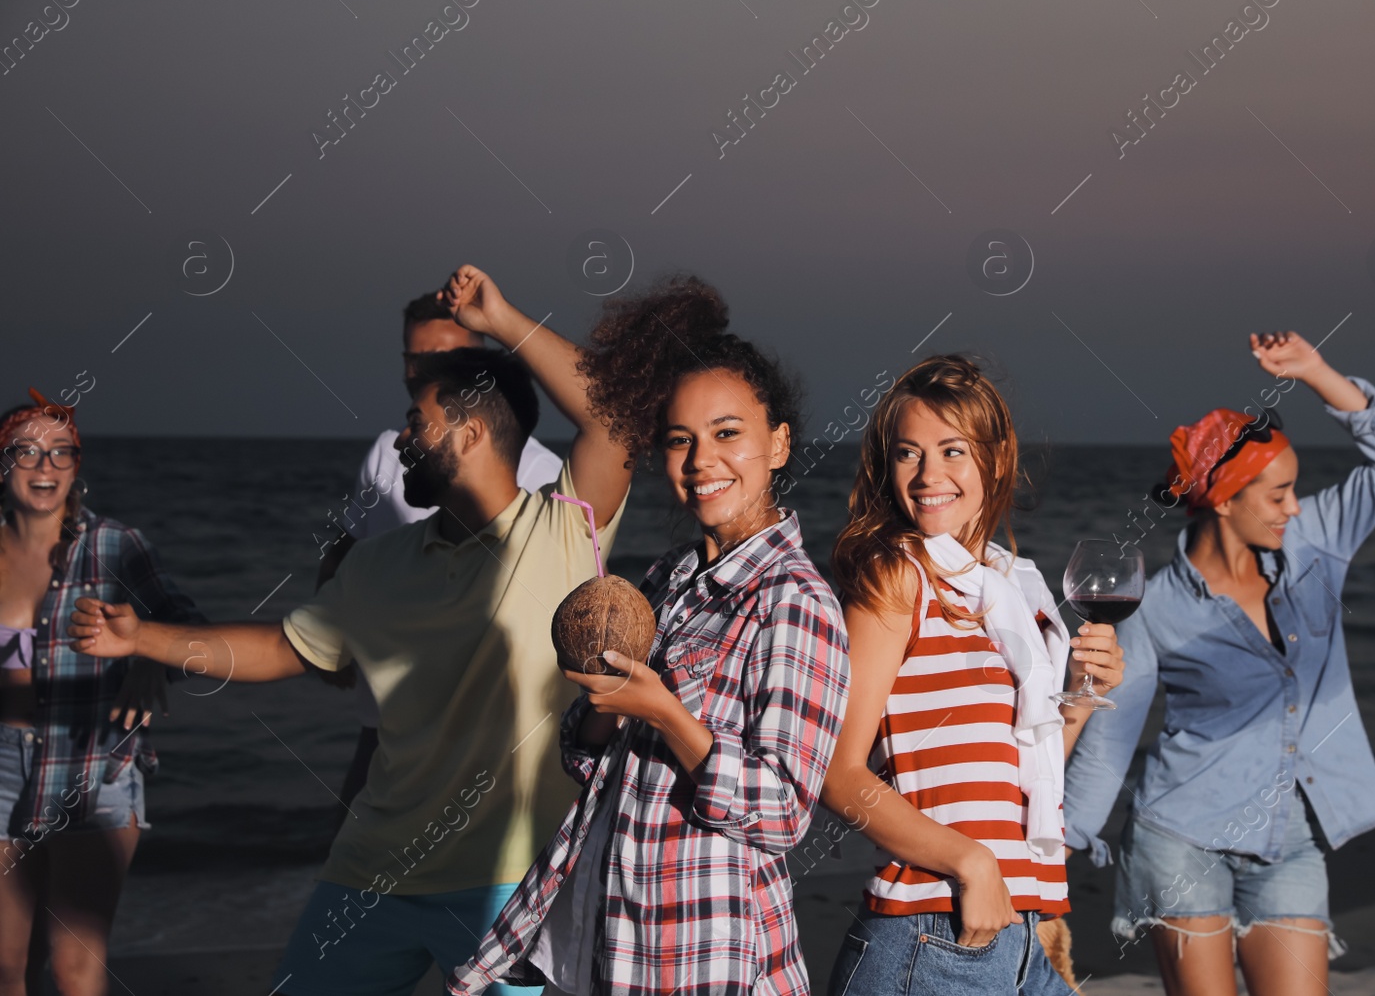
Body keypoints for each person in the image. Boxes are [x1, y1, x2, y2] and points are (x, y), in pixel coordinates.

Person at [69, 265, 633, 996]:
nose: (401, 438)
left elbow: (613, 416)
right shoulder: (378, 564)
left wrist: (501, 321)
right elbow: (281, 647)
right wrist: (141, 636)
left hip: (512, 882)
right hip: (374, 873)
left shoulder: (562, 528)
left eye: (417, 421)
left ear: (466, 435)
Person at [450, 277, 851, 996]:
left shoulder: (795, 599)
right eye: (679, 440)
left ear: (780, 442)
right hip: (609, 934)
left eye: (728, 433)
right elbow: (587, 756)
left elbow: (785, 808)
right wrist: (606, 704)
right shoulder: (665, 579)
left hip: (708, 954)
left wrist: (664, 708)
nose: (702, 461)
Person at [1060, 331, 1375, 996]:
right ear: (1224, 500)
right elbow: (1110, 745)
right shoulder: (1152, 606)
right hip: (1180, 839)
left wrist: (1317, 372)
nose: (1295, 506)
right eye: (1279, 493)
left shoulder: (1315, 542)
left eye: (1296, 490)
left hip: (1289, 837)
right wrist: (1048, 857)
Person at [820, 355, 1125, 996]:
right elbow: (838, 774)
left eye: (953, 450)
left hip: (1015, 930)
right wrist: (971, 862)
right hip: (930, 933)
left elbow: (1020, 772)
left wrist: (1081, 698)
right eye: (908, 454)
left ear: (995, 457)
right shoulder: (897, 575)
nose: (929, 475)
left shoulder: (1012, 587)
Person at [317, 289, 562, 813]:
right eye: (415, 357)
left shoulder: (542, 472)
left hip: (488, 741)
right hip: (384, 726)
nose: (422, 369)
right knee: (349, 859)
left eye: (442, 358)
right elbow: (348, 548)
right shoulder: (388, 451)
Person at [0, 390, 191, 996]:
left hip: (91, 762)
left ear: (77, 466)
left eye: (62, 453)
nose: (45, 466)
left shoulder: (113, 546)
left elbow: (194, 628)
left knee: (73, 971)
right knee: (5, 968)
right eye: (27, 452)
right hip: (2, 762)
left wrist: (149, 658)